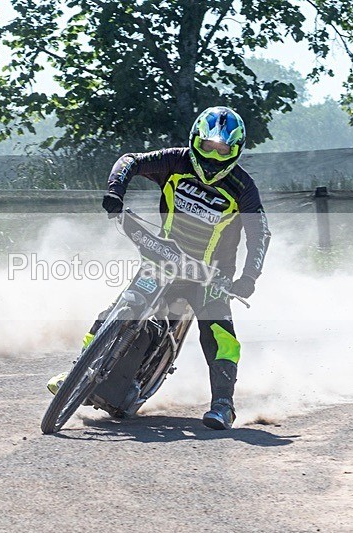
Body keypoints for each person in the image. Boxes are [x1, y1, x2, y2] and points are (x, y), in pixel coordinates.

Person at [47, 106, 271, 430]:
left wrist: (248, 277)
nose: (213, 154)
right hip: (163, 259)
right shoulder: (176, 160)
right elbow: (130, 161)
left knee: (220, 333)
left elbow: (260, 232)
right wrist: (115, 189)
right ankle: (77, 372)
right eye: (208, 145)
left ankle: (223, 405)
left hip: (210, 276)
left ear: (235, 150)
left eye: (222, 149)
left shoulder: (243, 187)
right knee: (119, 308)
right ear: (196, 141)